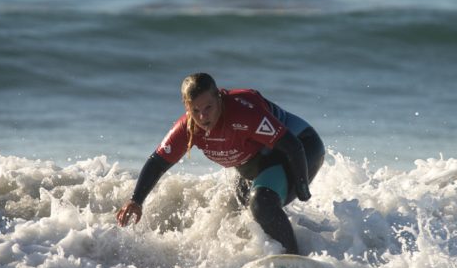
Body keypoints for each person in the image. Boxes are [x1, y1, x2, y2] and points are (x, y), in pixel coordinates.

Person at [116, 73, 325, 255]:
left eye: (208, 107)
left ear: (219, 97)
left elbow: (292, 146)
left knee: (261, 204)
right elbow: (158, 162)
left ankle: (293, 261)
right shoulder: (187, 128)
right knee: (232, 210)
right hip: (258, 165)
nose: (203, 116)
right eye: (195, 110)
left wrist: (302, 188)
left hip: (301, 148)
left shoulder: (244, 112)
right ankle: (261, 258)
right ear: (186, 106)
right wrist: (136, 200)